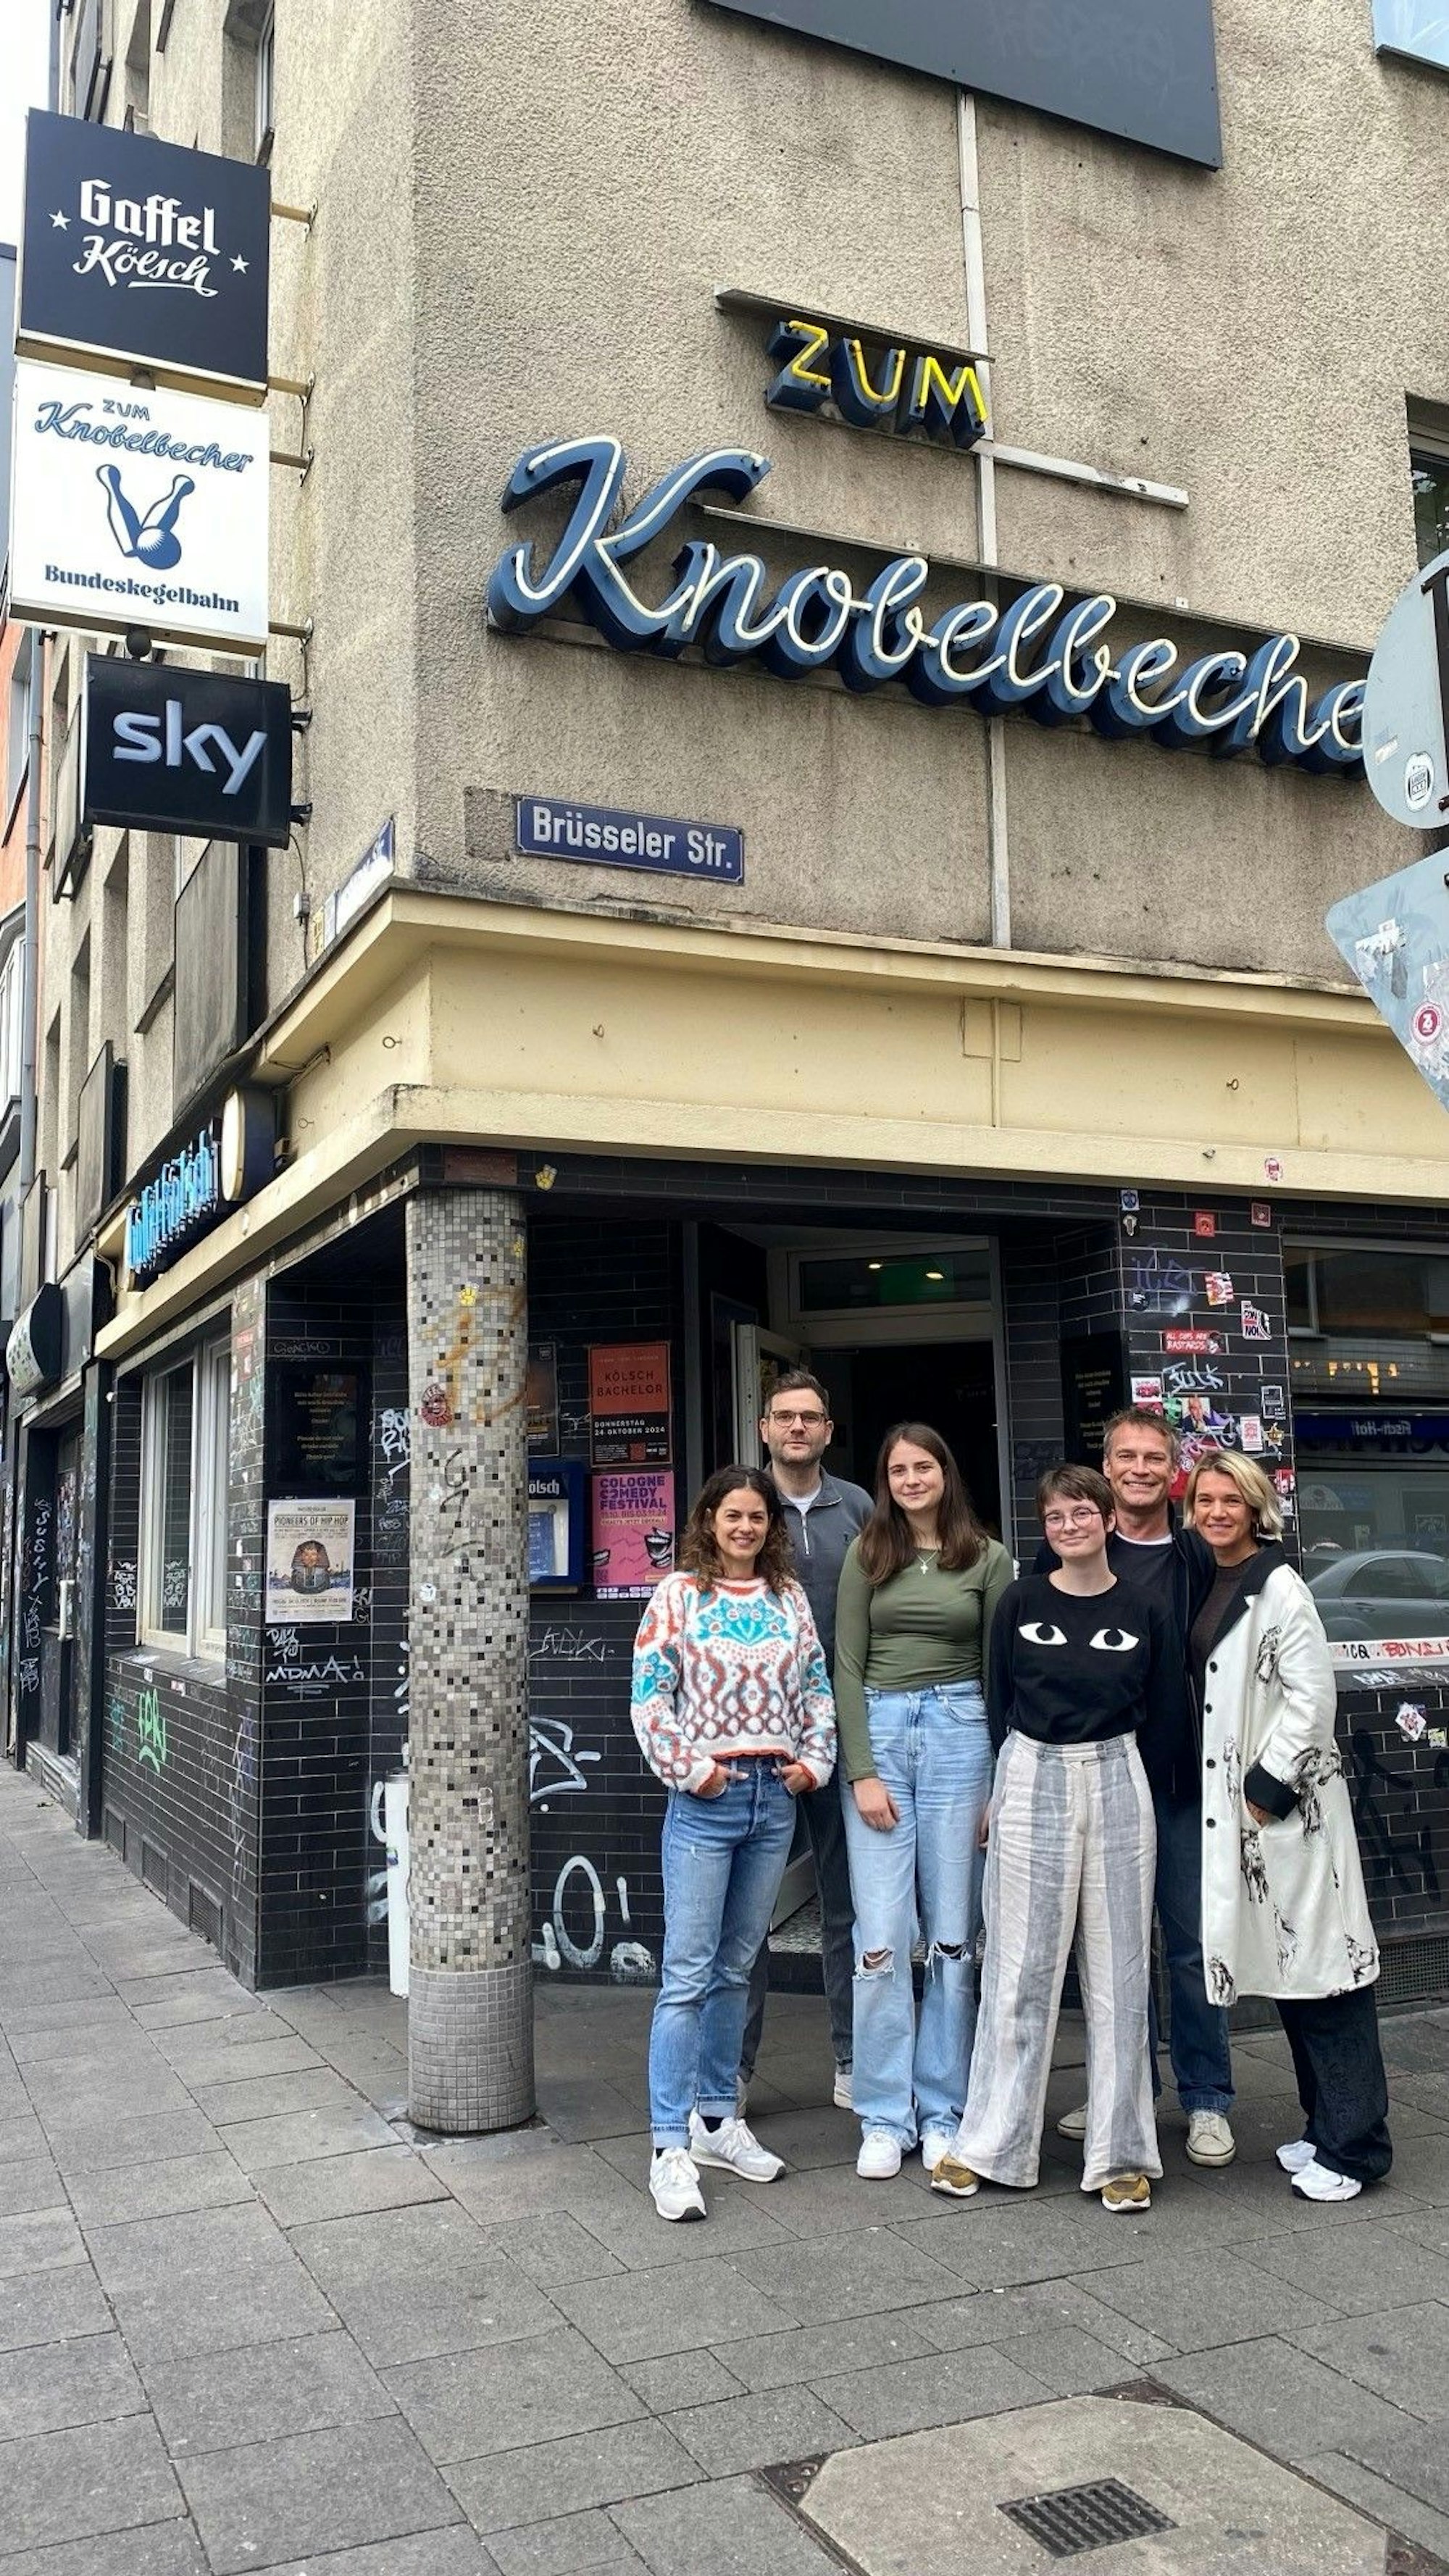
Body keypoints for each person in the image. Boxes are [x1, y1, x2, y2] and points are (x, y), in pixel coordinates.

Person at [933, 1463, 1171, 2212]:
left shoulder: (1141, 1607)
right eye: (1054, 1517)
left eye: (1080, 1513)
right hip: (1030, 1769)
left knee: (1119, 1972)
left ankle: (1121, 2154)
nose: (1068, 1527)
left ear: (1107, 1518)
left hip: (1115, 1776)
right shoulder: (1018, 1601)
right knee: (1015, 1968)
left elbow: (1166, 1713)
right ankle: (990, 2144)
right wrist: (997, 1790)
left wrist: (1145, 1799)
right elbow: (998, 1695)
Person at [631, 1466, 837, 2222]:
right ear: (709, 1522)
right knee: (685, 1975)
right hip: (706, 1801)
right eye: (732, 1515)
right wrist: (694, 1773)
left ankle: (716, 2119)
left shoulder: (788, 1599)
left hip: (771, 1800)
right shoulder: (678, 1596)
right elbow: (649, 1698)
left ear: (769, 1527)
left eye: (756, 1516)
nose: (745, 1527)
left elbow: (816, 1687)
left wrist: (812, 1761)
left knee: (735, 1966)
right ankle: (667, 2147)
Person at [1187, 1451, 1390, 2203]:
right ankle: (1324, 2125)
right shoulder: (1213, 1580)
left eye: (1228, 1500)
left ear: (1253, 1508)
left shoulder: (1278, 1586)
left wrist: (1263, 1791)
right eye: (1204, 1499)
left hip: (1289, 1818)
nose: (1214, 1511)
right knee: (1293, 1981)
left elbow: (1311, 1700)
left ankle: (1356, 2147)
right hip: (1248, 1822)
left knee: (1327, 1978)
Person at [1044, 1408, 1234, 2169]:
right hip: (1096, 1777)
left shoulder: (1197, 1554)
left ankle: (1207, 2097)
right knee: (1112, 1950)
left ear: (1172, 1469)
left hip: (1181, 1778)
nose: (1138, 1468)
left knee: (1187, 1945)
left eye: (1153, 1457)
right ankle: (1122, 2091)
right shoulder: (1076, 1538)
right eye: (1125, 1455)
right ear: (1106, 1462)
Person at [834, 1423, 1012, 2180]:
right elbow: (842, 1664)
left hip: (960, 1736)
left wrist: (996, 1785)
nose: (910, 1478)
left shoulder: (988, 1558)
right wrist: (861, 1771)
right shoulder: (867, 1551)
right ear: (885, 1478)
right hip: (880, 1727)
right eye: (897, 1468)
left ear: (945, 1472)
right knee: (877, 1937)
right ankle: (882, 2113)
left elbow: (1000, 1673)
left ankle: (942, 2109)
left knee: (950, 1937)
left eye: (922, 1466)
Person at [740, 1368, 872, 2113]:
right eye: (784, 1416)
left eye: (811, 1417)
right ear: (765, 1428)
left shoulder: (855, 1506)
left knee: (844, 1904)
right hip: (754, 1738)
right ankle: (733, 2068)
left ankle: (853, 2057)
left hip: (837, 1734)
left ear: (826, 1430)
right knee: (748, 1913)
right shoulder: (740, 1503)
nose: (797, 1428)